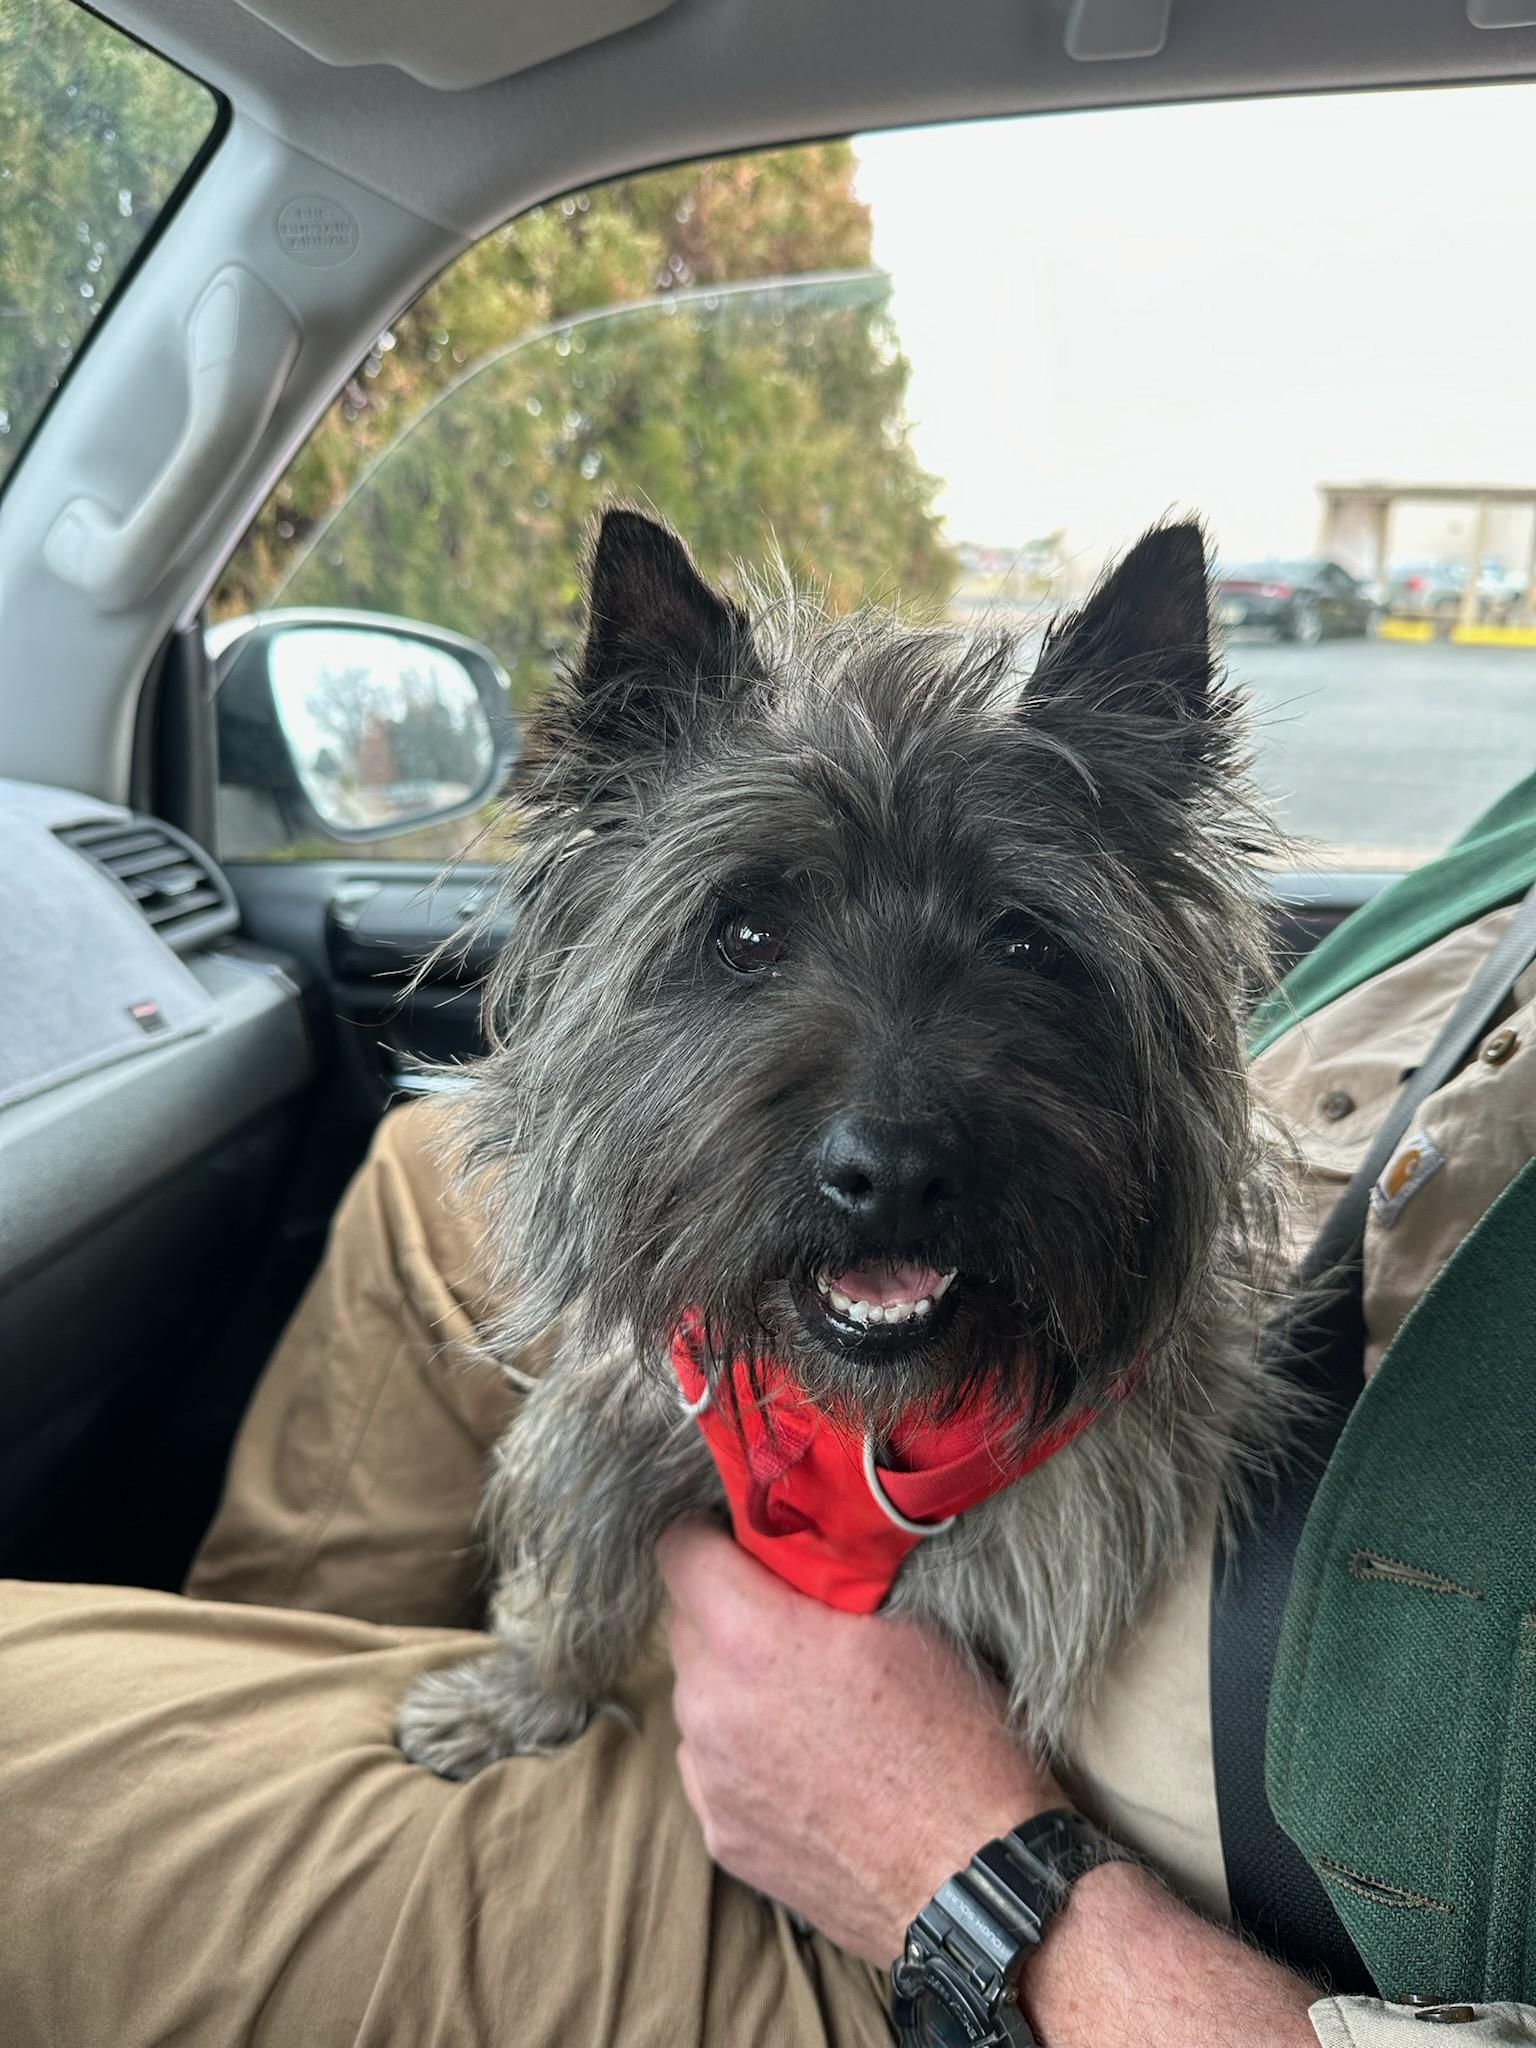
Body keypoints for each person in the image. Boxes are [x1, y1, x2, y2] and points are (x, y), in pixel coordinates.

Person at [5, 772, 1536, 2048]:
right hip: (1262, 1297)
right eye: (746, 931)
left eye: (1017, 946)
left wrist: (971, 1872)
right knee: (430, 1167)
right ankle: (392, 1681)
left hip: (1044, 1892)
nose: (880, 1113)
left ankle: (350, 1798)